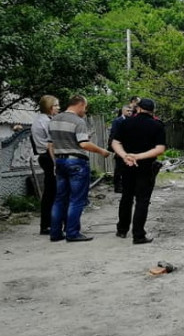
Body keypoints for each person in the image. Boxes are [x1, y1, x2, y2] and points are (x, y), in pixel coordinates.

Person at [48, 95, 111, 242]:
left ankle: (55, 233)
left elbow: (50, 144)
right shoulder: (78, 121)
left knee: (59, 199)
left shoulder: (54, 120)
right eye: (85, 107)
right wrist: (102, 151)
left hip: (60, 161)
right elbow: (83, 144)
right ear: (81, 104)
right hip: (76, 163)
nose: (86, 110)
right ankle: (72, 233)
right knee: (76, 200)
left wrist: (55, 162)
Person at [111, 98, 166, 244]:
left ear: (138, 109)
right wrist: (139, 157)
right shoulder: (157, 125)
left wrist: (125, 156)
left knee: (126, 197)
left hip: (127, 165)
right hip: (146, 166)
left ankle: (122, 229)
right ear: (152, 110)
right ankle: (138, 234)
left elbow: (115, 142)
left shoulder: (125, 122)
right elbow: (160, 149)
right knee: (142, 200)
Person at [30, 95, 60, 235]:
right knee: (52, 192)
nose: (58, 108)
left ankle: (48, 223)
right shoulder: (47, 122)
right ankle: (47, 225)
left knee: (51, 192)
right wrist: (56, 163)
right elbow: (51, 144)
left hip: (44, 156)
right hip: (48, 156)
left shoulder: (39, 120)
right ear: (49, 107)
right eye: (56, 105)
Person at [109, 104, 133, 193]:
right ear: (123, 111)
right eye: (128, 111)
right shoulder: (118, 121)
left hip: (129, 147)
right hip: (119, 146)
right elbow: (113, 134)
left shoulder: (132, 121)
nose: (130, 112)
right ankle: (117, 186)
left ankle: (126, 185)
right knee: (119, 168)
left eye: (131, 111)